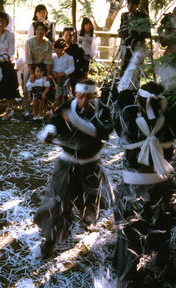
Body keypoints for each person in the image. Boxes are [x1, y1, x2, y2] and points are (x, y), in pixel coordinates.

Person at [112, 81, 176, 287]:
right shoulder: (172, 123)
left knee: (130, 228)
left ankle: (127, 271)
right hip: (161, 185)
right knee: (161, 224)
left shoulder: (129, 122)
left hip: (134, 186)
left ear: (140, 104)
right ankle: (162, 263)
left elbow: (119, 104)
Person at [34, 79, 113, 259]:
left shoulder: (103, 111)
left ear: (95, 95)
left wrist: (75, 120)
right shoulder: (66, 107)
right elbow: (54, 121)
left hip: (90, 164)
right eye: (80, 96)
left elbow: (101, 132)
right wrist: (49, 132)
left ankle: (88, 220)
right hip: (66, 164)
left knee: (89, 200)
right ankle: (50, 241)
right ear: (75, 94)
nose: (84, 100)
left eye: (89, 96)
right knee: (58, 203)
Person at [24, 21, 53, 120]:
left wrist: (48, 75)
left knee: (45, 86)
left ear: (46, 32)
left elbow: (48, 61)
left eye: (42, 30)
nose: (40, 32)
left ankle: (42, 112)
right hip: (31, 65)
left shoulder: (48, 43)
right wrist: (32, 73)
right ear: (35, 31)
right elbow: (28, 58)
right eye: (38, 30)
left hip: (42, 66)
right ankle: (27, 111)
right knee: (27, 86)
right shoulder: (29, 42)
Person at [118, 0, 151, 74]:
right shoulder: (124, 15)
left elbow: (147, 33)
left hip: (137, 44)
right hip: (125, 44)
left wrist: (138, 32)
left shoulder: (142, 16)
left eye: (131, 4)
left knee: (135, 68)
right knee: (124, 66)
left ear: (136, 5)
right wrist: (120, 32)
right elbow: (122, 29)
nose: (129, 6)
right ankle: (123, 83)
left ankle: (135, 85)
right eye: (128, 3)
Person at [51, 39, 74, 108]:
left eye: (60, 49)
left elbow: (72, 68)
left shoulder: (69, 58)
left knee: (63, 95)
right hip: (54, 77)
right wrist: (52, 72)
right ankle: (53, 109)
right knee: (56, 94)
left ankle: (62, 108)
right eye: (56, 49)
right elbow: (50, 66)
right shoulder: (53, 56)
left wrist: (63, 73)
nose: (57, 51)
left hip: (64, 77)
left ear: (64, 48)